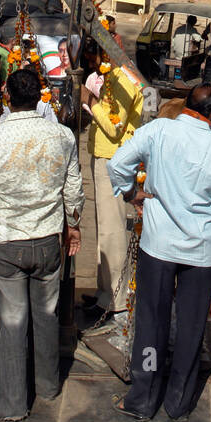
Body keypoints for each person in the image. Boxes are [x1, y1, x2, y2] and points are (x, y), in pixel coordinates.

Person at [106, 84, 211, 422]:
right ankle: (178, 402)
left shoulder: (158, 130)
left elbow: (119, 162)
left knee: (152, 323)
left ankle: (143, 399)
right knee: (192, 327)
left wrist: (131, 193)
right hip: (201, 251)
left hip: (159, 246)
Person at [0, 67, 84, 422]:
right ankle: (47, 385)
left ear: (7, 99)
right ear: (40, 97)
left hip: (7, 242)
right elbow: (73, 189)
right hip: (47, 240)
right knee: (47, 314)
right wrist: (73, 227)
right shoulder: (61, 136)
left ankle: (12, 404)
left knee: (13, 320)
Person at [84, 63, 143, 319]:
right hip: (105, 155)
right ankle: (105, 293)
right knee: (104, 230)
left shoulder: (122, 81)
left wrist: (89, 100)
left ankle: (118, 300)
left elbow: (114, 126)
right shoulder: (112, 78)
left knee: (113, 230)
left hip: (113, 158)